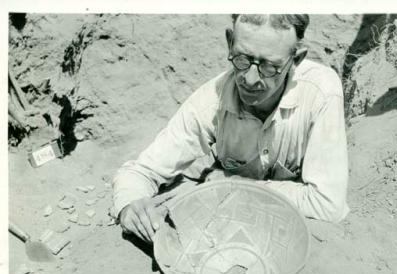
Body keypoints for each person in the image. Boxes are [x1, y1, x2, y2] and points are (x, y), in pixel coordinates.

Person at [112, 14, 349, 243]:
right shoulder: (210, 102)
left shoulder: (321, 93)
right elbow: (139, 172)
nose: (250, 78)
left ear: (295, 60)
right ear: (229, 43)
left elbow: (328, 205)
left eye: (269, 67)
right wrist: (129, 207)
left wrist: (231, 185)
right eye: (242, 59)